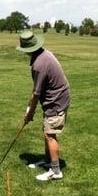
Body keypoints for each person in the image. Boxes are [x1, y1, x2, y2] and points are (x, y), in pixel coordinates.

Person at [16, 30, 70, 181]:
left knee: (49, 134)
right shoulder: (44, 54)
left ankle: (56, 171)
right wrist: (29, 108)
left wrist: (29, 114)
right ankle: (48, 161)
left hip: (56, 101)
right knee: (47, 130)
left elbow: (36, 94)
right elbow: (36, 91)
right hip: (56, 97)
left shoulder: (39, 64)